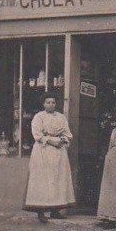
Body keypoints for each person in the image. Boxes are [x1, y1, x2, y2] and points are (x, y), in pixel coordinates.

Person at [23, 91, 76, 223]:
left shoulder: (61, 117)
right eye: (48, 102)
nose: (51, 105)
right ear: (43, 104)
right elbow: (37, 134)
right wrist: (52, 141)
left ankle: (55, 210)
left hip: (59, 151)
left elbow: (68, 133)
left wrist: (62, 141)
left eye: (53, 102)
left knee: (57, 178)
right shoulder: (38, 117)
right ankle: (41, 211)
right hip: (43, 150)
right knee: (43, 180)